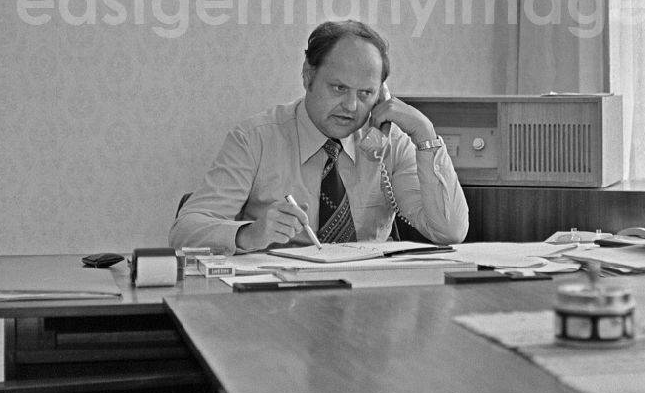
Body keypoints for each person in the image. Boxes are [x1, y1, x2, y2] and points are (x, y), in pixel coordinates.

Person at [170, 20, 469, 253]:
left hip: (369, 306)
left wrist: (425, 136)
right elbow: (185, 231)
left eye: (365, 93)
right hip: (281, 306)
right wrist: (249, 234)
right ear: (307, 76)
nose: (351, 107)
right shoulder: (254, 139)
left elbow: (449, 232)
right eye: (338, 88)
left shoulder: (389, 144)